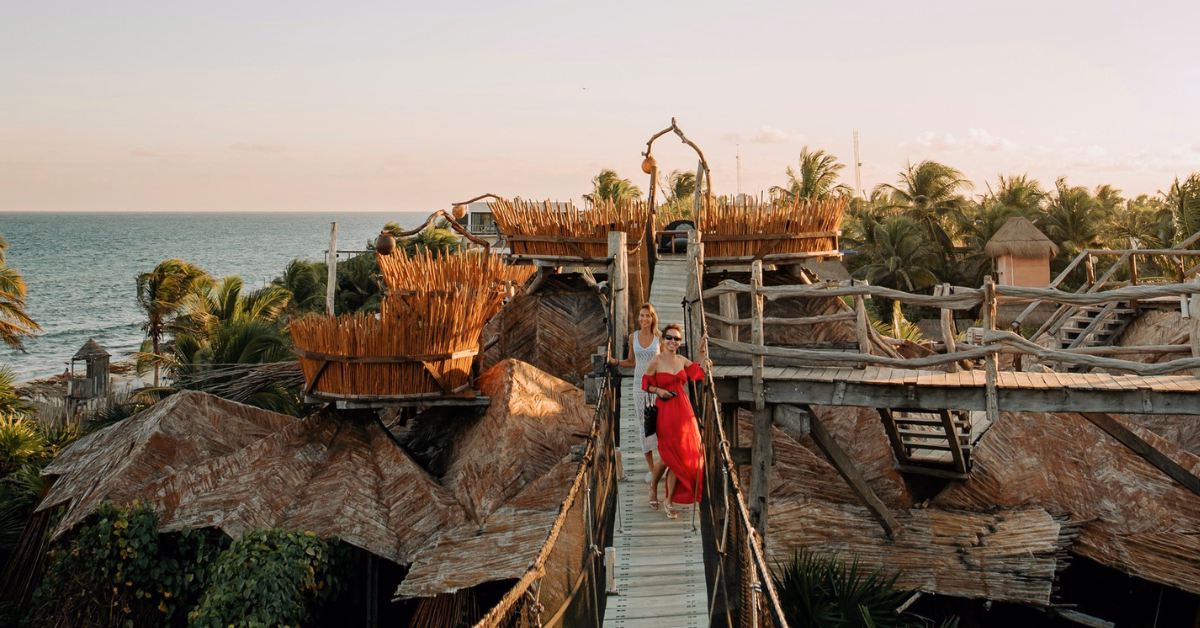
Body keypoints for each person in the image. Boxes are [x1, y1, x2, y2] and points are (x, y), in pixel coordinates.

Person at [642, 322, 707, 519]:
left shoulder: (681, 360)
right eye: (669, 337)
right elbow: (645, 384)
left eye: (677, 339)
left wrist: (702, 350)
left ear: (680, 342)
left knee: (682, 455)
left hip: (684, 411)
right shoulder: (656, 361)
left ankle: (669, 500)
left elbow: (698, 372)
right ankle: (653, 487)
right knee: (667, 457)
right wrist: (659, 390)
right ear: (662, 340)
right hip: (665, 411)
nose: (673, 341)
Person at [608, 303, 661, 484]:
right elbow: (631, 362)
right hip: (639, 386)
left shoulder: (659, 337)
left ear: (653, 318)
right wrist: (615, 362)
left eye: (648, 316)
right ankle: (651, 468)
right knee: (644, 425)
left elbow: (665, 361)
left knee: (660, 424)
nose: (645, 319)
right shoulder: (633, 337)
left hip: (656, 385)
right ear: (638, 318)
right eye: (642, 315)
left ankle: (664, 463)